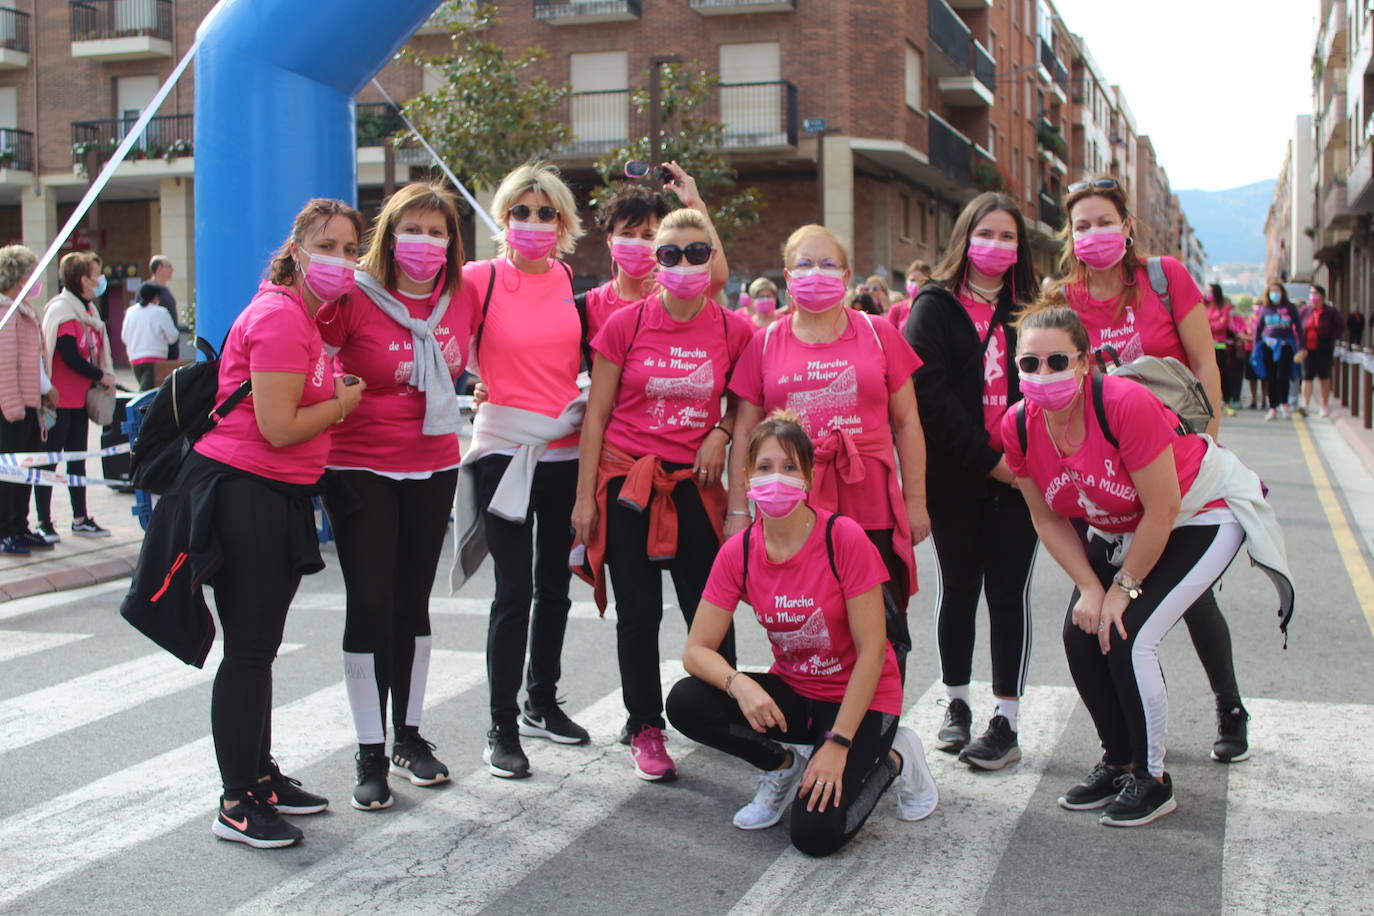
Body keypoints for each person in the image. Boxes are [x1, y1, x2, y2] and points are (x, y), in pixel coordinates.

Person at [1002, 306, 1290, 827]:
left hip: (1200, 510)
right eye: (1030, 363)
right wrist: (1090, 587)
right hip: (1123, 526)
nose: (1042, 375)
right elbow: (1046, 520)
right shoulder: (1018, 425)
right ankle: (1120, 761)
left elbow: (1165, 508)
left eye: (1057, 361)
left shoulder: (1123, 403)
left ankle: (1154, 781)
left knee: (1128, 631)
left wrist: (1122, 589)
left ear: (1085, 362)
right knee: (1080, 632)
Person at [1041, 176, 1252, 763]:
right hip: (1108, 479)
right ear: (1070, 235)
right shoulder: (1065, 297)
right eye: (1082, 225)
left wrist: (1208, 449)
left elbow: (1205, 365)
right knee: (1116, 600)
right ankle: (1128, 740)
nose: (1094, 233)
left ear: (1127, 226)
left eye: (1105, 221)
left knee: (1192, 597)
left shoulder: (1164, 278)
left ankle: (1229, 705)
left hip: (1177, 467)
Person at [666, 412, 938, 856]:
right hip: (799, 693)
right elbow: (696, 650)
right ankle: (783, 764)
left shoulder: (842, 537)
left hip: (863, 699)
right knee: (687, 700)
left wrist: (838, 743)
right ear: (748, 477)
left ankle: (895, 758)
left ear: (809, 477)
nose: (777, 478)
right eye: (765, 467)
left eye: (790, 467)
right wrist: (742, 686)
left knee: (815, 835)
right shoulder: (740, 551)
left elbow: (873, 652)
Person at [189, 198, 366, 847]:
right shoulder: (280, 316)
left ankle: (258, 778)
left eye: (352, 249)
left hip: (277, 496)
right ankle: (236, 802)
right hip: (247, 494)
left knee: (257, 650)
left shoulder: (301, 318)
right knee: (249, 652)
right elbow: (278, 426)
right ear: (296, 251)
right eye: (329, 246)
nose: (342, 261)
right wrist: (343, 404)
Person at [572, 205, 751, 781]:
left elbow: (746, 405)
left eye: (697, 252)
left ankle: (726, 711)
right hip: (629, 483)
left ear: (712, 258)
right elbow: (595, 418)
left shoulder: (733, 328)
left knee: (711, 609)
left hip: (698, 487)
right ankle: (644, 724)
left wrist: (721, 434)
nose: (683, 263)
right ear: (655, 263)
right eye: (670, 254)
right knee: (639, 612)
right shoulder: (624, 324)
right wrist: (583, 500)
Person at [317, 182, 472, 811]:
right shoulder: (351, 295)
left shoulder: (463, 298)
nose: (426, 242)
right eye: (414, 228)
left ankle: (407, 736)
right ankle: (369, 749)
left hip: (434, 465)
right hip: (359, 467)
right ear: (389, 234)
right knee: (370, 601)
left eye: (438, 232)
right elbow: (310, 364)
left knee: (413, 601)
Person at [727, 224, 929, 679]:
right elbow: (745, 431)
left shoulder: (879, 334)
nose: (815, 273)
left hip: (871, 499)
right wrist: (738, 510)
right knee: (812, 621)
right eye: (804, 264)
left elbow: (908, 423)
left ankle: (881, 730)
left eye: (827, 264)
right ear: (786, 275)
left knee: (884, 624)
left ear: (847, 274)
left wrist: (915, 501)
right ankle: (821, 718)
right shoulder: (763, 343)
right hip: (794, 505)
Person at [451, 161, 590, 779]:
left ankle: (541, 701)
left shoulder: (566, 279)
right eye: (520, 211)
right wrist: (478, 387)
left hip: (563, 448)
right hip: (503, 448)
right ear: (503, 219)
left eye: (545, 213)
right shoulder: (479, 278)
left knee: (554, 587)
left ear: (563, 223)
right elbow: (445, 346)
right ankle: (500, 726)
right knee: (513, 592)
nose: (532, 223)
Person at [906, 192, 1039, 770]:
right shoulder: (933, 307)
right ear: (965, 237)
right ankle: (956, 705)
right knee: (958, 588)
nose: (996, 245)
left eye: (1008, 237)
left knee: (1010, 595)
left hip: (1022, 478)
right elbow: (927, 397)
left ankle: (1006, 718)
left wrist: (1020, 465)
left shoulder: (1031, 308)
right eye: (986, 233)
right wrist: (990, 460)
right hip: (959, 475)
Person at [582, 174, 728, 336]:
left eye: (647, 235)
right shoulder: (589, 304)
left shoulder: (676, 294)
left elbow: (718, 278)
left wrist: (697, 207)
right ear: (610, 239)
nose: (637, 242)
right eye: (627, 234)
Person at [37, 251, 115, 541]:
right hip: (59, 401)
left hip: (80, 400)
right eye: (97, 274)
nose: (100, 280)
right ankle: (44, 521)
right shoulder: (63, 311)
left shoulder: (89, 312)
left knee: (78, 460)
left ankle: (80, 518)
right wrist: (101, 376)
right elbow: (70, 356)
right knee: (49, 462)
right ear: (83, 279)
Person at [0, 245, 57, 556]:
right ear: (16, 276)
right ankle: (5, 530)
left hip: (29, 402)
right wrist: (13, 405)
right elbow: (6, 364)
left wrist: (44, 390)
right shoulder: (5, 314)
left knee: (24, 471)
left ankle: (19, 526)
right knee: (8, 472)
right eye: (30, 274)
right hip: (11, 405)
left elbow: (31, 360)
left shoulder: (23, 311)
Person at [1254, 281, 1304, 421]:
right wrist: (1256, 348)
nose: (1275, 294)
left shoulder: (1290, 308)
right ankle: (1273, 407)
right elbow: (1259, 329)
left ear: (1282, 292)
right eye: (1272, 291)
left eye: (1277, 290)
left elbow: (1299, 328)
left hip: (1285, 345)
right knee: (1271, 377)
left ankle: (1285, 404)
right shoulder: (1265, 309)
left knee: (1283, 375)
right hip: (1269, 346)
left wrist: (1301, 346)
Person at [122, 282, 180, 391]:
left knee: (145, 391)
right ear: (156, 297)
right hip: (155, 360)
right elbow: (173, 337)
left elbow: (124, 336)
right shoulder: (161, 312)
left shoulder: (130, 312)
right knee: (146, 396)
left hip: (134, 359)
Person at [1298, 284, 1341, 418]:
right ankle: (1305, 404)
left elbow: (1340, 327)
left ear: (1322, 296)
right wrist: (1301, 346)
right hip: (1307, 349)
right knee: (1307, 376)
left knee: (1324, 376)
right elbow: (1298, 329)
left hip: (1324, 349)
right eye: (1311, 293)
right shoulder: (1305, 311)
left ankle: (1324, 405)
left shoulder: (1330, 311)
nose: (1313, 296)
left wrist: (1331, 339)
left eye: (1315, 293)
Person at [1204, 284, 1239, 417]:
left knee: (1223, 376)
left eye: (1211, 291)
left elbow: (1222, 325)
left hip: (1220, 347)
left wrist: (1209, 325)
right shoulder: (1204, 308)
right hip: (1208, 347)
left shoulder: (1225, 308)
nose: (1208, 294)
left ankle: (1227, 402)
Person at [886, 258, 931, 332]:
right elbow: (888, 337)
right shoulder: (896, 310)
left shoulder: (933, 309)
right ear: (906, 281)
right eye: (912, 280)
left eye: (921, 281)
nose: (916, 284)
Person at [150, 254, 179, 359]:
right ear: (159, 268)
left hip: (171, 349)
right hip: (157, 352)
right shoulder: (148, 290)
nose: (172, 269)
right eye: (169, 266)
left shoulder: (166, 290)